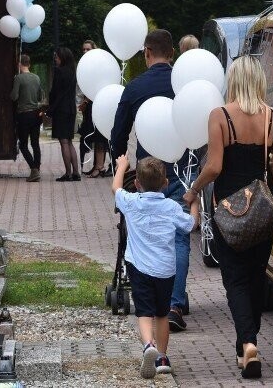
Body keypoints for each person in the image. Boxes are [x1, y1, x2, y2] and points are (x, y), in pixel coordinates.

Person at [182, 56, 273, 379]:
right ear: (259, 81)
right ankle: (247, 342)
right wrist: (265, 161)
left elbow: (214, 166)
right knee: (257, 275)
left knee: (235, 279)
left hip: (229, 211)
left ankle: (248, 342)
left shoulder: (220, 116)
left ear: (233, 80)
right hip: (262, 210)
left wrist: (193, 190)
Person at [110, 29, 193, 333]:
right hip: (185, 166)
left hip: (150, 172)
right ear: (173, 53)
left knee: (144, 229)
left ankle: (150, 296)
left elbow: (118, 134)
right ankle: (173, 303)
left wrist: (119, 164)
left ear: (146, 52)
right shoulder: (184, 85)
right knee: (180, 235)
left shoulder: (134, 88)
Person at [112, 153, 198, 378]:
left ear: (137, 184)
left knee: (144, 312)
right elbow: (190, 225)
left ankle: (147, 345)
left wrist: (122, 166)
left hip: (138, 267)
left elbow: (116, 188)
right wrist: (195, 203)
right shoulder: (171, 206)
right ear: (166, 183)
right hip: (165, 269)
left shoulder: (131, 202)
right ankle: (161, 357)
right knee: (161, 313)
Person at [47, 47, 80, 181]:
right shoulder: (73, 72)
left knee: (64, 142)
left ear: (63, 58)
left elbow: (56, 93)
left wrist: (51, 109)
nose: (56, 59)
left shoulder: (59, 72)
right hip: (71, 109)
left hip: (61, 110)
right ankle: (76, 173)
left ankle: (67, 173)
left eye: (57, 57)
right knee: (70, 141)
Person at [77, 40, 110, 177]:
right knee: (94, 136)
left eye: (88, 49)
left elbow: (99, 85)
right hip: (89, 106)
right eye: (83, 49)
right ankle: (97, 165)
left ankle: (99, 166)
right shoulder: (84, 66)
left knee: (100, 137)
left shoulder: (98, 66)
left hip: (98, 105)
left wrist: (86, 100)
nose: (85, 52)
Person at [10, 54, 45, 182]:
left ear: (19, 64)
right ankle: (37, 168)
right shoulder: (36, 77)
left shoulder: (18, 78)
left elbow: (14, 96)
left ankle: (33, 169)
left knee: (23, 145)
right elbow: (40, 96)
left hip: (23, 115)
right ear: (29, 64)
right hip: (35, 114)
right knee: (35, 143)